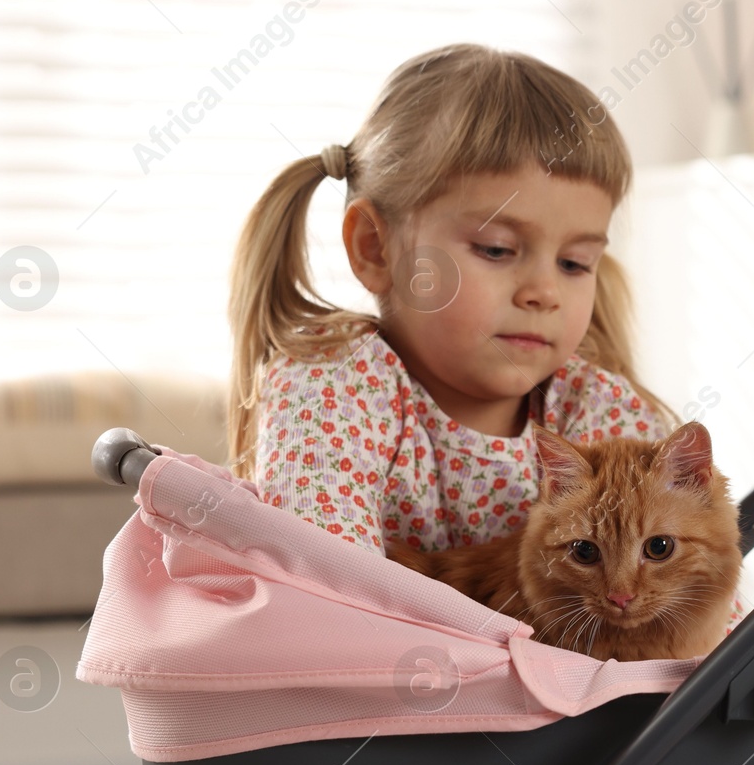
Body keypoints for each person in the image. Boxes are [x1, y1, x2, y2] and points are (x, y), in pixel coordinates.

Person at [226, 43, 683, 558]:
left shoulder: (602, 410)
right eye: (496, 249)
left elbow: (701, 612)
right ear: (374, 248)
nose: (544, 292)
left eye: (574, 263)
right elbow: (326, 583)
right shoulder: (333, 382)